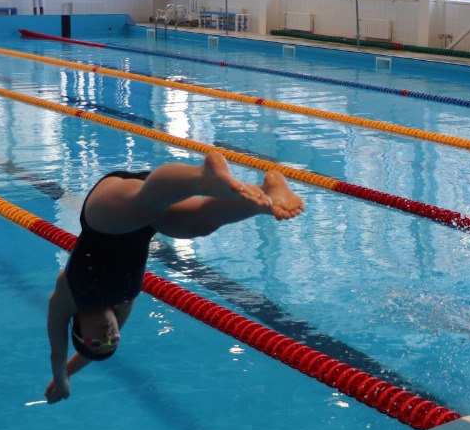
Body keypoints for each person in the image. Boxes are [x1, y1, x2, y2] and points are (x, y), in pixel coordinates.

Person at [44, 152, 304, 403]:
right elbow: (95, 348)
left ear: (77, 329)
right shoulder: (122, 304)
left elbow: (58, 350)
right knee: (199, 224)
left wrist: (62, 377)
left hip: (106, 209)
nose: (108, 335)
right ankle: (267, 195)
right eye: (113, 340)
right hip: (154, 209)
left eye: (97, 341)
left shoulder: (68, 297)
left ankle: (202, 178)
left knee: (144, 208)